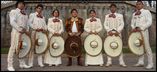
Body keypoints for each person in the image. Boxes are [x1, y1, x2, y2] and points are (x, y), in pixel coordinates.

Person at [7, 1, 31, 71]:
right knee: (13, 47)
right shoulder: (13, 11)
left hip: (24, 33)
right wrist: (20, 29)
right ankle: (10, 65)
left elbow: (27, 24)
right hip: (16, 32)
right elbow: (12, 22)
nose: (21, 5)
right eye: (20, 4)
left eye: (23, 4)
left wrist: (27, 30)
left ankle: (22, 64)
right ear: (17, 5)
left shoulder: (25, 14)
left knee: (22, 47)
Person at [131, 1, 153, 69]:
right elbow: (132, 23)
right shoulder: (134, 14)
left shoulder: (146, 12)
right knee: (139, 46)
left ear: (142, 5)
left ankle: (150, 63)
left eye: (139, 4)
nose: (138, 5)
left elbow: (149, 22)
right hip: (136, 32)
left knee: (147, 47)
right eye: (137, 4)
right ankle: (141, 62)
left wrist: (142, 28)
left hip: (143, 31)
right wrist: (133, 28)